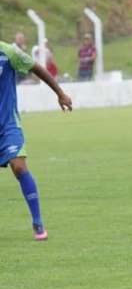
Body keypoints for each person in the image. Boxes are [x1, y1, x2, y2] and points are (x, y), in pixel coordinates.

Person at [1, 40, 73, 240]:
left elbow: (36, 67)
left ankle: (38, 222)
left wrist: (60, 93)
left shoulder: (8, 52)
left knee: (19, 167)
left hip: (8, 124)